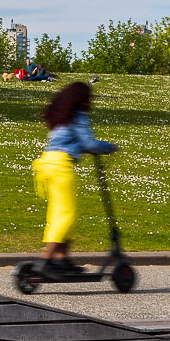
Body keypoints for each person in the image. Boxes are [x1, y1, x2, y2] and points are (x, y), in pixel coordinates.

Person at [31, 82, 117, 277]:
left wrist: (87, 148)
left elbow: (75, 142)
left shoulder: (62, 116)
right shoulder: (77, 115)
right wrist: (108, 147)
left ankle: (61, 259)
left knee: (58, 213)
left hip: (48, 163)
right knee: (66, 214)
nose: (91, 101)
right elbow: (87, 142)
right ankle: (45, 260)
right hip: (61, 165)